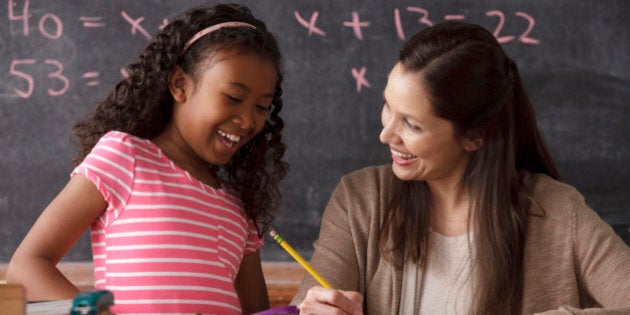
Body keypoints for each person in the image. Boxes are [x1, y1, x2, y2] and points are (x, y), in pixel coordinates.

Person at [292, 21, 630, 315]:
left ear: (476, 137)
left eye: (412, 124)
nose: (386, 134)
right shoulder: (359, 201)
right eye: (387, 107)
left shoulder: (558, 211)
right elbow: (306, 305)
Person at [6, 3, 288, 314]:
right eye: (233, 98)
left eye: (261, 107)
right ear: (180, 85)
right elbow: (27, 267)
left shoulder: (240, 206)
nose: (248, 120)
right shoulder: (126, 158)